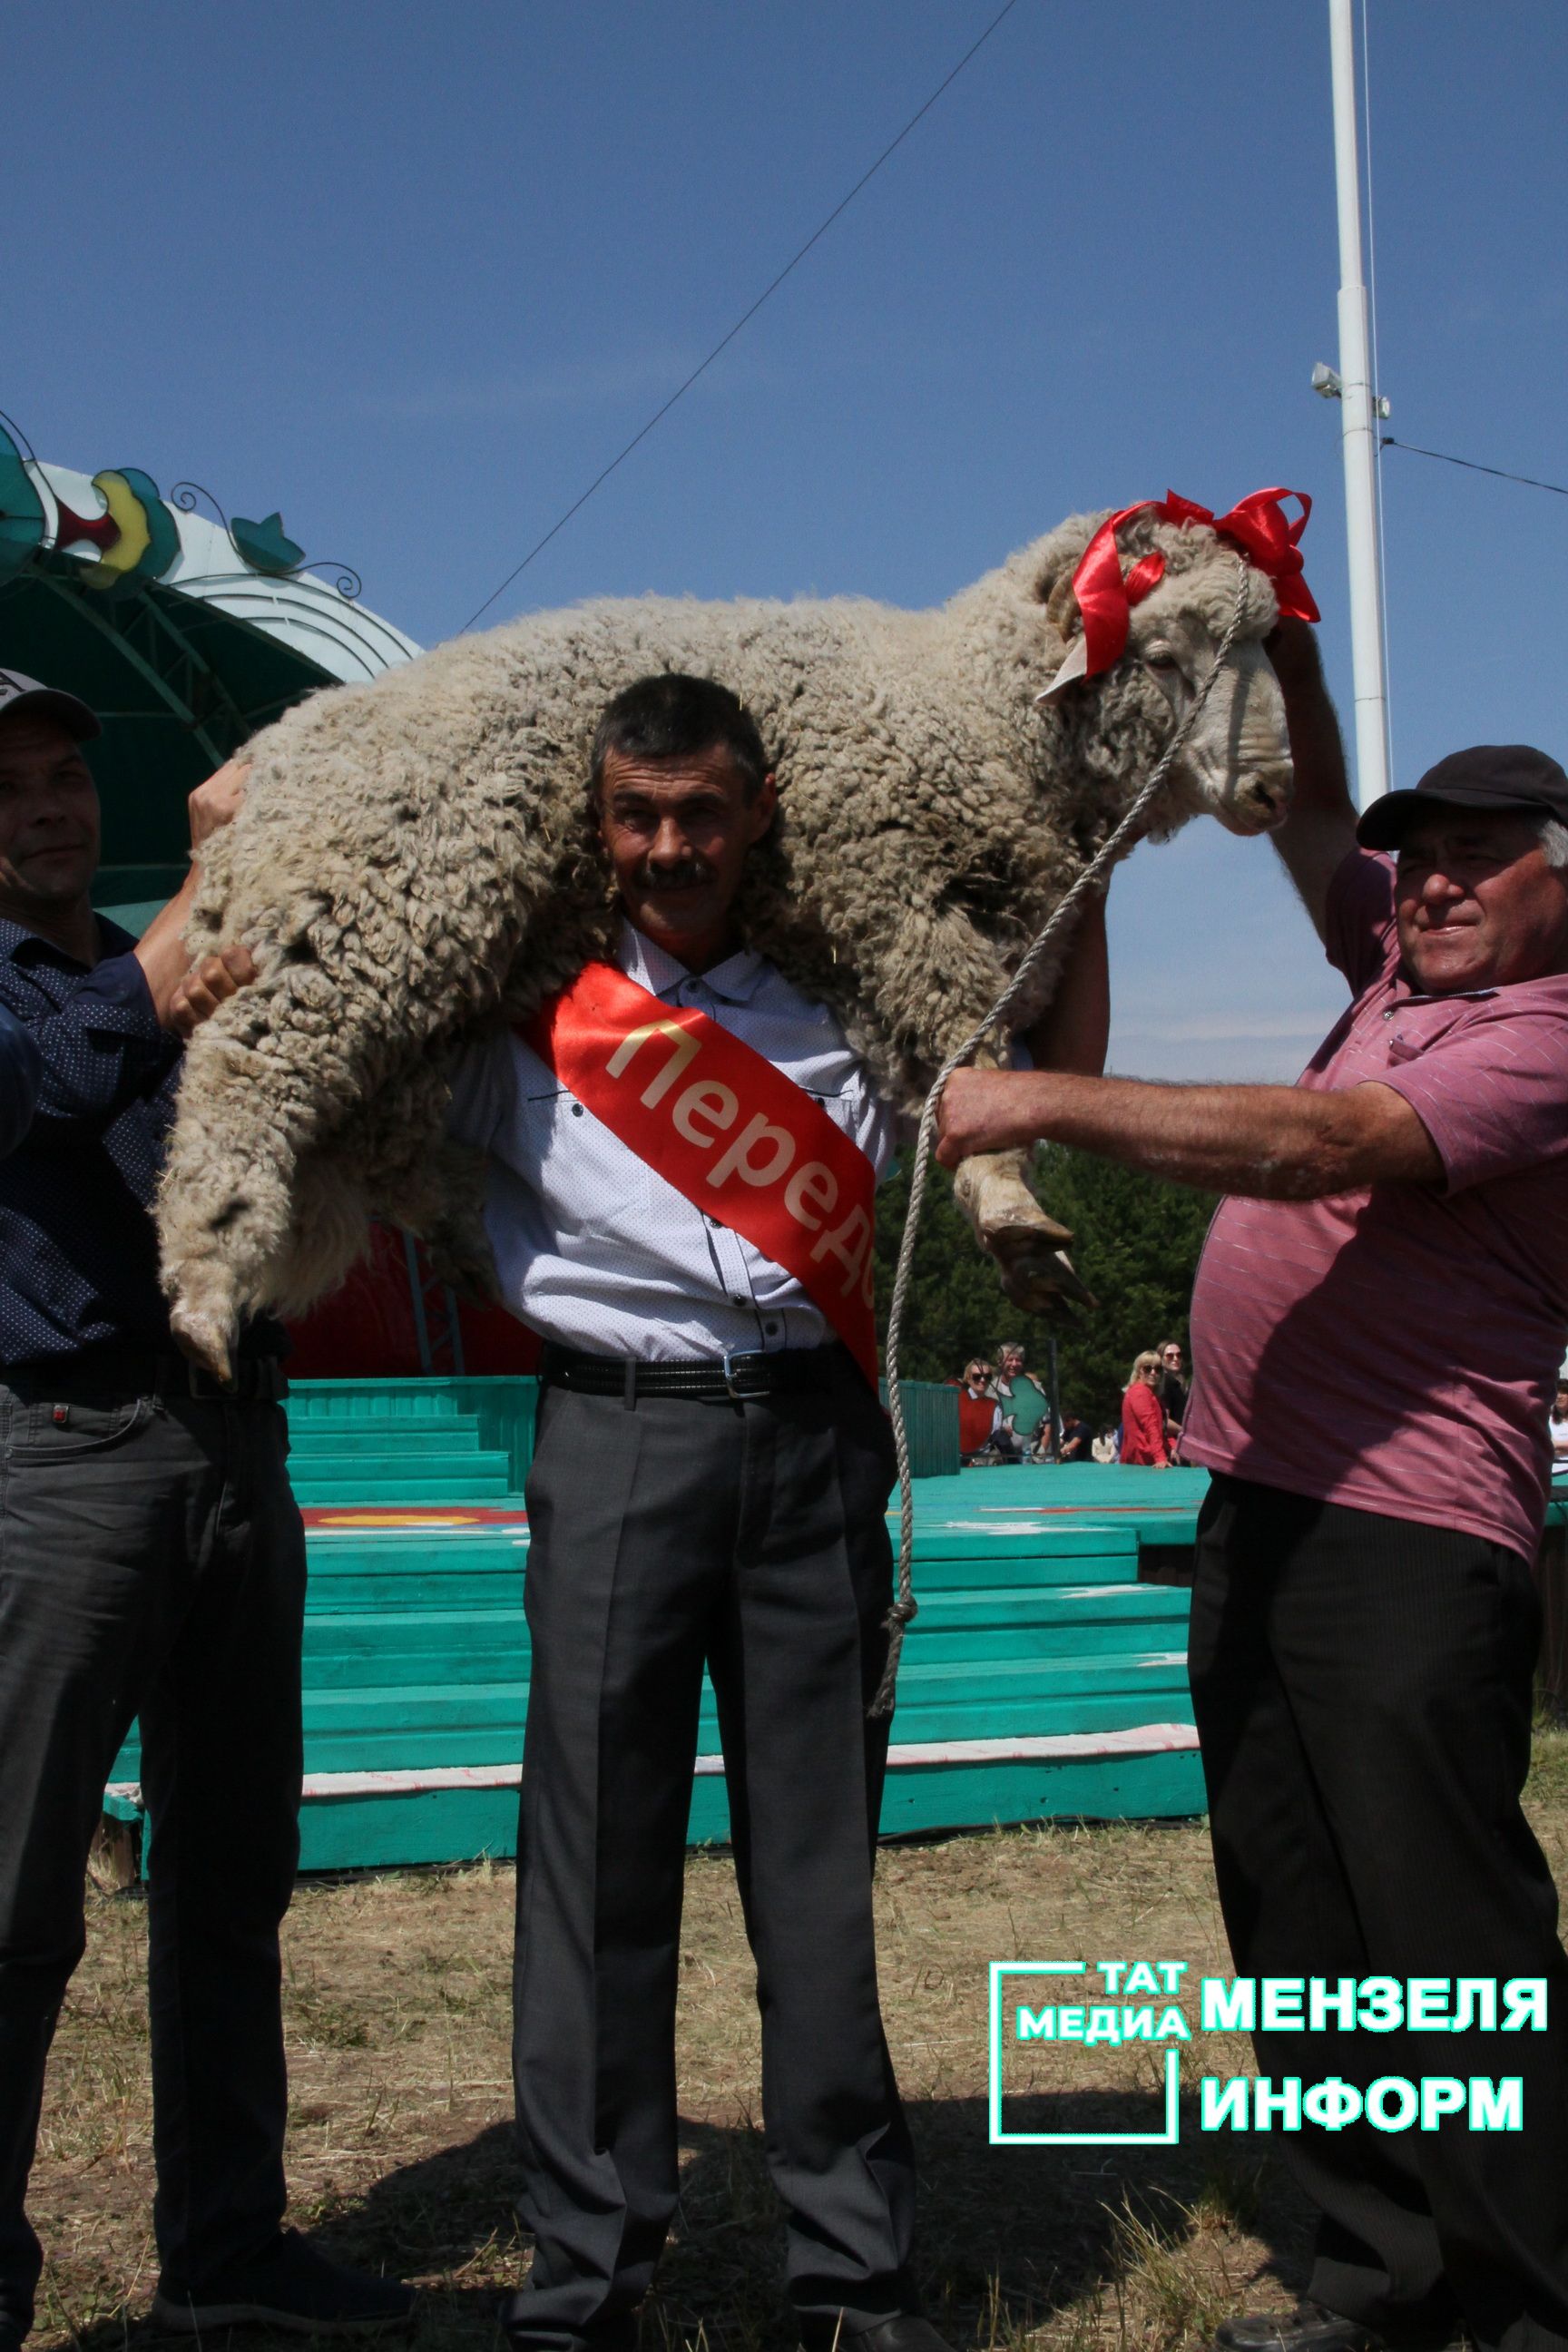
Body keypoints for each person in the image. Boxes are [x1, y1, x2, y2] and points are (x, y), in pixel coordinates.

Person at [935, 622, 1568, 2352]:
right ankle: (1380, 2275)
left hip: (1411, 1533)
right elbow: (1305, 829)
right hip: (1262, 1510)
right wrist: (1282, 645)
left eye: (1472, 859)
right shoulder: (1396, 975)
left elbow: (1324, 1145)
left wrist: (1035, 1099)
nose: (1426, 885)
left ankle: (1530, 2297)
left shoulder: (1547, 1035)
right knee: (1293, 1908)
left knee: (1442, 1933)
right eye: (1417, 859)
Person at [0, 672, 414, 2347]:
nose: (49, 806)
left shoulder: (143, 961)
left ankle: (228, 2247)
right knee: (14, 1896)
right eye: (11, 784)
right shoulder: (127, 967)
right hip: (60, 1453)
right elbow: (27, 1095)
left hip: (235, 1440)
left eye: (63, 776)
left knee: (233, 1874)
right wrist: (185, 920)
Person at [992, 1340, 1052, 1457]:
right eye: (1010, 1360)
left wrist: (1042, 1452)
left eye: (1018, 1360)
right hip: (999, 1458)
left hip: (1031, 1456)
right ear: (1000, 1362)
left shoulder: (1035, 1388)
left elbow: (1048, 1424)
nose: (1014, 1364)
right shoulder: (990, 1390)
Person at [1118, 1349, 1171, 1467]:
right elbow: (1150, 1425)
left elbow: (1161, 1428)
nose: (1153, 1373)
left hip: (1145, 1459)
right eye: (1148, 1368)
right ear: (1139, 1371)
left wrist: (1172, 1446)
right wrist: (1160, 1458)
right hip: (1141, 1461)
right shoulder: (1140, 1392)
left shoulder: (1150, 1394)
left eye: (1158, 1369)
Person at [954, 1357, 1004, 1462]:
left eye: (987, 1376)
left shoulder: (996, 1407)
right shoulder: (955, 1402)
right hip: (956, 1459)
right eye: (977, 1376)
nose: (982, 1380)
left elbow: (995, 1434)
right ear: (968, 1378)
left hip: (983, 1460)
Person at [1155, 1338, 1188, 1444]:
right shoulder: (1165, 1382)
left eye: (1179, 1355)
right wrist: (1185, 1432)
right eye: (1170, 1355)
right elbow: (1164, 1419)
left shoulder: (1177, 1383)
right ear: (1160, 1358)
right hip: (1171, 1444)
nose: (1175, 1358)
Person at [1551, 1382, 1568, 1470]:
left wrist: (1556, 1444)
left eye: (1563, 1392)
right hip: (1555, 1473)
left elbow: (1552, 1446)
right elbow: (1546, 1448)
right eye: (1557, 1392)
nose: (1559, 1396)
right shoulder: (1547, 1420)